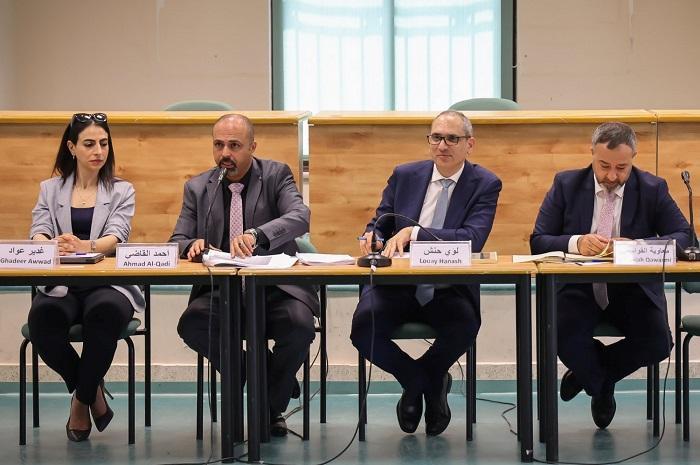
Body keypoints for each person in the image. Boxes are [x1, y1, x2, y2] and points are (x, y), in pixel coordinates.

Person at [350, 110, 502, 436]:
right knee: (364, 329)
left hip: (449, 287)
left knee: (464, 326)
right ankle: (424, 382)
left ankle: (420, 383)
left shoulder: (485, 183)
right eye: (436, 137)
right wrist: (372, 236)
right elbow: (381, 221)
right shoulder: (405, 175)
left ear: (470, 144)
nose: (442, 145)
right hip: (397, 285)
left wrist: (415, 233)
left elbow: (472, 238)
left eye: (452, 138)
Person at [530, 122, 691, 429]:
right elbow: (538, 240)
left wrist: (637, 245)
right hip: (578, 288)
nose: (612, 176)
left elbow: (685, 237)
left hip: (630, 288)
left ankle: (589, 376)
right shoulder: (566, 184)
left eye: (621, 168)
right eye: (604, 166)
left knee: (658, 342)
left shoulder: (652, 188)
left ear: (633, 159)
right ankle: (602, 385)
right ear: (591, 153)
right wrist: (577, 242)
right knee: (560, 336)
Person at [170, 113, 318, 436]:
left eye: (234, 146)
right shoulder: (198, 187)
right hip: (222, 291)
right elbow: (177, 239)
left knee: (300, 325)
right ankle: (260, 375)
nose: (225, 153)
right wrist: (191, 245)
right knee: (191, 324)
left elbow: (300, 217)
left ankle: (269, 405)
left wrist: (257, 235)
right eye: (219, 145)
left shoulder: (276, 175)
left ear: (252, 146)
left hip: (274, 288)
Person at [28, 113, 145, 441]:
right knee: (42, 322)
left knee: (103, 315)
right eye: (89, 144)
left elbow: (117, 235)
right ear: (71, 147)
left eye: (104, 144)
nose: (98, 151)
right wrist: (50, 243)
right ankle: (91, 389)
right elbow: (38, 229)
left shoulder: (122, 190)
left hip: (107, 283)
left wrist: (86, 245)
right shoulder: (49, 189)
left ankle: (80, 402)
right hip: (62, 282)